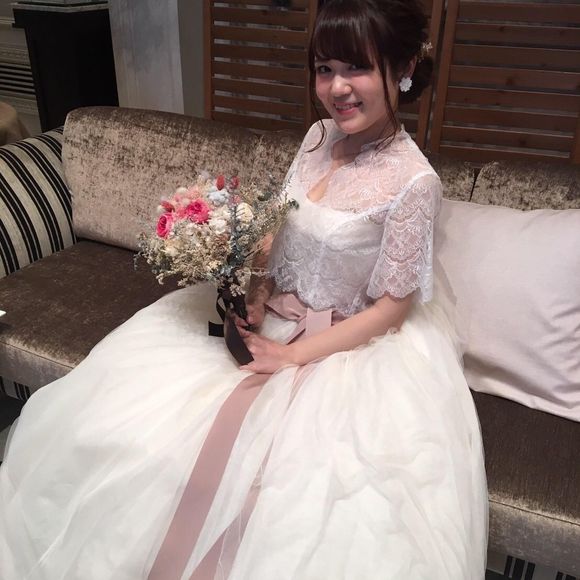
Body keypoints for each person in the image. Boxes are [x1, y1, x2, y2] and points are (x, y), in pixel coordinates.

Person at [0, 0, 488, 578]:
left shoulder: (414, 181)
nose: (337, 88)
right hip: (274, 317)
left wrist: (292, 356)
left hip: (347, 349)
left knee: (294, 508)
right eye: (325, 69)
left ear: (403, 68)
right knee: (128, 426)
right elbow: (280, 230)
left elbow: (392, 309)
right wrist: (254, 290)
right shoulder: (317, 137)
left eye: (357, 67)